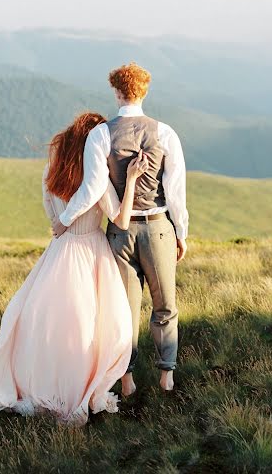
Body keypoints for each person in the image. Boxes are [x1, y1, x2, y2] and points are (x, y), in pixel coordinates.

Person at [0, 112, 149, 425]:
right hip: (91, 251)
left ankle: (43, 383)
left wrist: (64, 221)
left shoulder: (51, 175)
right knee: (94, 325)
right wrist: (131, 180)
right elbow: (120, 220)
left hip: (59, 253)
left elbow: (53, 220)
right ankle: (81, 389)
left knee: (50, 324)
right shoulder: (96, 182)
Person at [53, 63, 189, 395]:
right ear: (144, 92)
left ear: (116, 92)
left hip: (120, 233)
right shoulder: (165, 133)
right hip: (158, 228)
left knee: (124, 310)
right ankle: (166, 374)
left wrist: (65, 219)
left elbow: (92, 188)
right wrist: (182, 233)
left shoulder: (101, 135)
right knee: (164, 304)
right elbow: (176, 192)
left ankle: (127, 378)